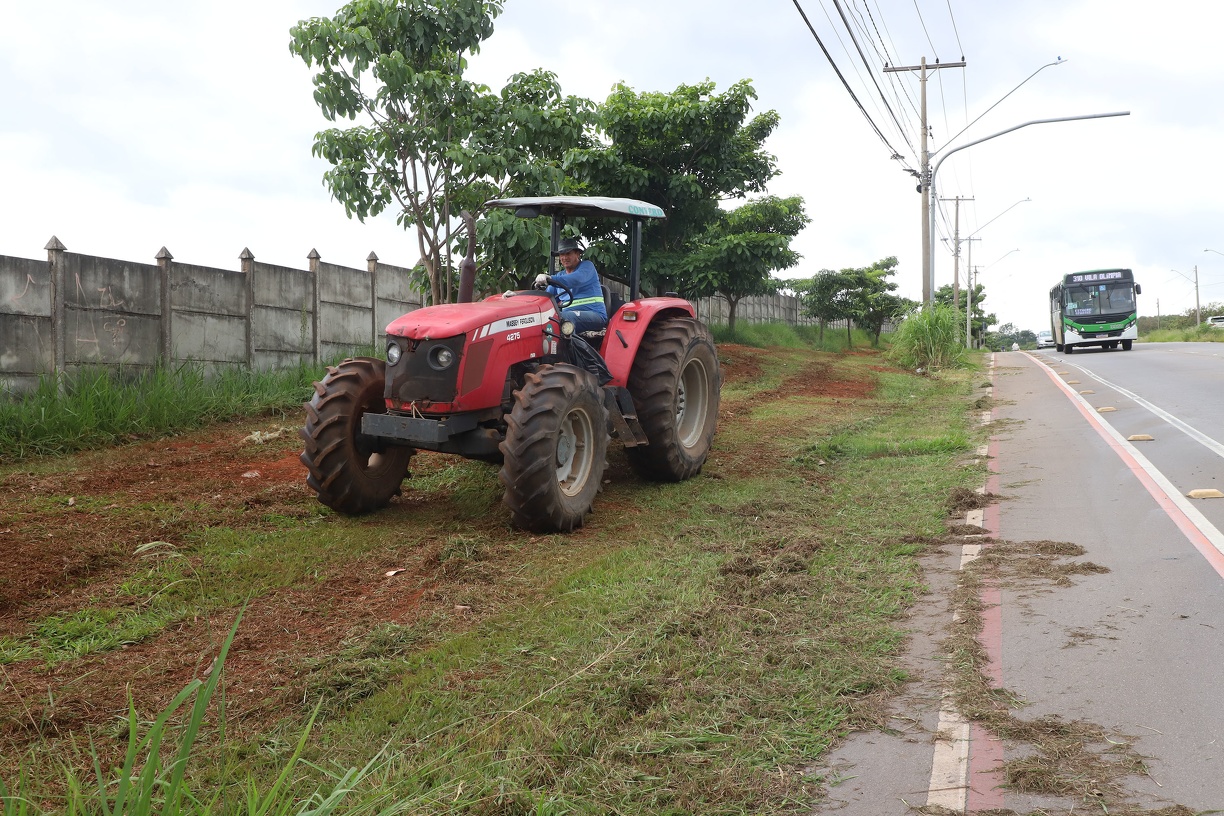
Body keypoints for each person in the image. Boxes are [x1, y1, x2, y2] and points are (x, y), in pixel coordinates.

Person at [534, 238, 608, 334]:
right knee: (543, 318)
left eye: (568, 253)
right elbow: (546, 298)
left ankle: (568, 344)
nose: (564, 257)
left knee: (564, 318)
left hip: (595, 315)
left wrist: (550, 278)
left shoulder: (587, 267)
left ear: (577, 254)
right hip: (568, 315)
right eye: (562, 254)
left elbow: (576, 279)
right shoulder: (559, 277)